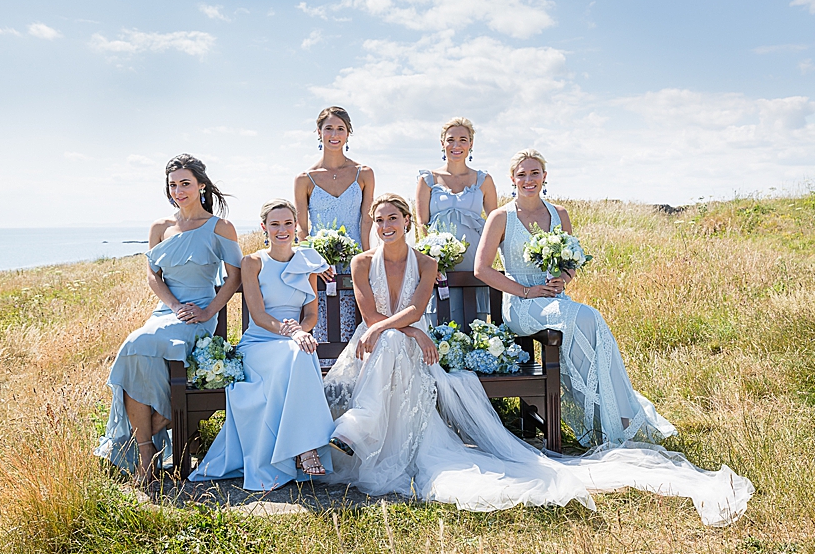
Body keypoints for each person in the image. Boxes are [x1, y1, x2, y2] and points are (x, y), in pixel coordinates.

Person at [323, 194, 753, 526]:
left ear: (405, 221)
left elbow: (415, 311)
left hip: (396, 344)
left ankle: (361, 427)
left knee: (398, 343)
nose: (384, 226)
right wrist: (401, 331)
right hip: (378, 344)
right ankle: (363, 425)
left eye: (392, 219)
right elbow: (371, 316)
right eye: (378, 220)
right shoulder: (362, 263)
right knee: (395, 343)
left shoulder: (427, 261)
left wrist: (407, 330)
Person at [474, 148, 677, 446]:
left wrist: (563, 278)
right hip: (521, 305)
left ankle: (610, 412)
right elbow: (481, 269)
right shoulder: (500, 217)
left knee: (590, 326)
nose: (528, 180)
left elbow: (572, 260)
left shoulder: (559, 214)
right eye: (522, 175)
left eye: (534, 173)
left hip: (555, 300)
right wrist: (526, 291)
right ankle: (608, 414)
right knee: (589, 316)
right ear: (512, 179)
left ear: (545, 177)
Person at [95, 154, 242, 485]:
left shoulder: (220, 227)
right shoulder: (160, 227)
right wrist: (174, 305)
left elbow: (234, 278)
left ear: (201, 185)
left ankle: (155, 431)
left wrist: (207, 311)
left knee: (138, 344)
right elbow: (152, 276)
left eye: (185, 184)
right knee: (137, 351)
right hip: (168, 312)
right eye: (173, 185)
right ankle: (148, 455)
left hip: (199, 314)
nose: (178, 191)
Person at [190, 199, 336, 489]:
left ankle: (303, 447)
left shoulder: (308, 262)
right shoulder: (253, 262)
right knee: (301, 352)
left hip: (293, 340)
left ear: (296, 226)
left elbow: (311, 314)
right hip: (259, 342)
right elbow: (257, 316)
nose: (282, 230)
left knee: (301, 352)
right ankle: (305, 446)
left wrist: (301, 331)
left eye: (287, 223)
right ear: (264, 228)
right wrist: (292, 334)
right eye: (275, 224)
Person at [294, 106, 375, 365]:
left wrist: (365, 262)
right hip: (319, 266)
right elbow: (302, 229)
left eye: (340, 128)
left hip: (354, 264)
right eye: (328, 128)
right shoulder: (304, 179)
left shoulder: (364, 173)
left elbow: (366, 221)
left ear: (349, 134)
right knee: (322, 328)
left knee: (354, 327)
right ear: (319, 133)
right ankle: (322, 389)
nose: (334, 134)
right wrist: (315, 263)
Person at [414, 117, 497, 326]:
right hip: (440, 261)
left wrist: (489, 260)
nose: (456, 145)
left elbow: (496, 222)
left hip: (473, 259)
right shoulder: (427, 180)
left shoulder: (483, 180)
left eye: (463, 140)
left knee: (474, 321)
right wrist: (432, 261)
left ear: (471, 144)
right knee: (440, 318)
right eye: (451, 140)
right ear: (442, 143)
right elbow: (422, 224)